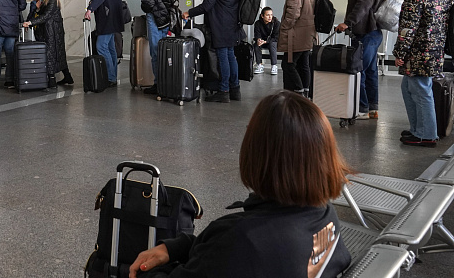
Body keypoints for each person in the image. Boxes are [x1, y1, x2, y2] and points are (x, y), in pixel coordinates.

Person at [129, 91, 352, 278]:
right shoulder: (324, 214)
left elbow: (233, 252)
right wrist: (178, 247)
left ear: (257, 154)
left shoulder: (243, 239)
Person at [393, 0, 452, 148]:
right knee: (409, 87)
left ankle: (427, 134)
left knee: (421, 90)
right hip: (435, 50)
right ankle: (417, 128)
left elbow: (408, 27)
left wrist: (400, 53)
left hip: (418, 52)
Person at [183, 0, 242, 103]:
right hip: (234, 22)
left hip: (220, 22)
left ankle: (223, 91)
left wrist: (189, 13)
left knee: (222, 56)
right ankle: (235, 89)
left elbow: (207, 5)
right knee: (231, 55)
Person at [336, 0, 384, 119]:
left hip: (367, 33)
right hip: (371, 33)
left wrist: (348, 22)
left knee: (359, 70)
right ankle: (372, 108)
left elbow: (364, 3)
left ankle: (362, 108)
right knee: (370, 71)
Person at [22, 0, 73, 88]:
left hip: (52, 32)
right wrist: (37, 9)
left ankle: (52, 80)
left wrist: (30, 22)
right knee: (58, 55)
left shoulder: (51, 0)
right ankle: (67, 77)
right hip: (52, 32)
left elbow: (45, 16)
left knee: (50, 55)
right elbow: (42, 14)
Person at [84, 0, 124, 87]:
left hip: (109, 18)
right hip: (110, 18)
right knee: (110, 47)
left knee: (101, 46)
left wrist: (90, 9)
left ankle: (110, 77)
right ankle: (112, 76)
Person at [277, 0, 316, 96]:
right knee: (304, 64)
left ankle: (297, 93)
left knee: (288, 64)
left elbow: (293, 13)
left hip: (296, 34)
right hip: (308, 33)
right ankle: (305, 92)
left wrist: (284, 27)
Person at [140, 0, 173, 95]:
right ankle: (167, 82)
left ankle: (158, 84)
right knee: (164, 52)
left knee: (155, 53)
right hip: (165, 21)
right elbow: (170, 2)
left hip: (154, 20)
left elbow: (146, 6)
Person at [253, 6, 280, 75]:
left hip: (273, 41)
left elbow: (276, 37)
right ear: (262, 16)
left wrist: (266, 41)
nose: (270, 17)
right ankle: (259, 65)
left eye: (271, 15)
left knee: (272, 44)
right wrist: (258, 40)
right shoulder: (258, 23)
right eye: (267, 15)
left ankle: (274, 66)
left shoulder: (276, 23)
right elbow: (257, 34)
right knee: (256, 45)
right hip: (262, 41)